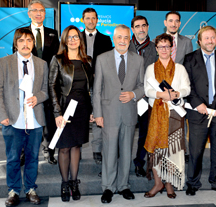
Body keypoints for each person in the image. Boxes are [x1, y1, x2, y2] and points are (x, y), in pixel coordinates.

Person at [0, 28, 48, 206]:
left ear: (33, 43)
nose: (25, 44)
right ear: (16, 43)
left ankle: (30, 188)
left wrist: (38, 97)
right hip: (12, 120)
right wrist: (2, 115)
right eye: (21, 40)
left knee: (32, 157)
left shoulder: (41, 64)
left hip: (35, 119)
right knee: (13, 158)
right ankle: (13, 190)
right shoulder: (4, 62)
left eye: (29, 40)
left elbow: (46, 91)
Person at [93, 24, 144, 204]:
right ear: (113, 39)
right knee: (109, 152)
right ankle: (108, 187)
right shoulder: (101, 59)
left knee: (126, 151)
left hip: (129, 113)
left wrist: (133, 94)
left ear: (129, 39)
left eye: (125, 37)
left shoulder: (138, 60)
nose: (122, 41)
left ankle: (123, 186)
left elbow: (143, 86)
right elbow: (97, 89)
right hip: (108, 114)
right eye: (119, 37)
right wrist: (97, 113)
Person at [183, 26, 216, 196]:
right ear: (199, 41)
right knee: (195, 151)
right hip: (198, 113)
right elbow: (186, 85)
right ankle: (193, 183)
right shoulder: (189, 59)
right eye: (206, 38)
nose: (210, 41)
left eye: (213, 38)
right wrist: (197, 104)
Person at [48, 25, 93, 202]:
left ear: (80, 40)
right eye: (70, 37)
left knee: (76, 146)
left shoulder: (87, 60)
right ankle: (65, 183)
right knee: (64, 147)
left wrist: (91, 111)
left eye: (76, 37)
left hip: (82, 109)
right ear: (65, 41)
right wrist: (57, 112)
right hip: (65, 109)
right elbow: (51, 87)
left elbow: (91, 88)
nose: (73, 40)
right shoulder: (58, 59)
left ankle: (74, 183)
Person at [143, 33, 190, 199]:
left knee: (171, 151)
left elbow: (187, 89)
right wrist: (159, 94)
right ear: (156, 49)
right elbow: (146, 90)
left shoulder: (180, 68)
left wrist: (177, 93)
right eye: (161, 46)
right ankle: (158, 183)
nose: (164, 49)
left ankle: (169, 183)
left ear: (172, 48)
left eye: (167, 46)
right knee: (156, 150)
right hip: (156, 113)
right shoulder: (150, 68)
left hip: (174, 115)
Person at [17, 0, 60, 165]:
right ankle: (23, 153)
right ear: (29, 13)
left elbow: (57, 58)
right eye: (35, 10)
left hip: (48, 83)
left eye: (41, 10)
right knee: (26, 118)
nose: (38, 13)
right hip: (27, 83)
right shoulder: (22, 33)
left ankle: (49, 151)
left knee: (49, 120)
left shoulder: (52, 33)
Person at [81, 7, 113, 166]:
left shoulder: (106, 39)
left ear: (97, 20)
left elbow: (109, 62)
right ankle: (76, 149)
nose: (91, 21)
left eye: (93, 18)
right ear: (83, 20)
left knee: (98, 115)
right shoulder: (76, 37)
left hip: (100, 84)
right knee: (79, 116)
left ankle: (97, 150)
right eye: (88, 18)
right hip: (80, 84)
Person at [129, 15, 158, 177]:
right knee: (125, 133)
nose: (141, 29)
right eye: (137, 26)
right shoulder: (125, 46)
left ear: (147, 27)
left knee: (145, 133)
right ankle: (121, 163)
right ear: (133, 29)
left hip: (147, 99)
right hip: (128, 98)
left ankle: (139, 162)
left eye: (144, 26)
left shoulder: (155, 48)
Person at [163, 11, 193, 161]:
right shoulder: (158, 40)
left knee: (181, 120)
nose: (173, 24)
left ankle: (183, 150)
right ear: (165, 23)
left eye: (176, 21)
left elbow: (189, 67)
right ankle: (164, 149)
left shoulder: (187, 42)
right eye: (170, 21)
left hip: (180, 89)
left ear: (179, 24)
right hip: (161, 89)